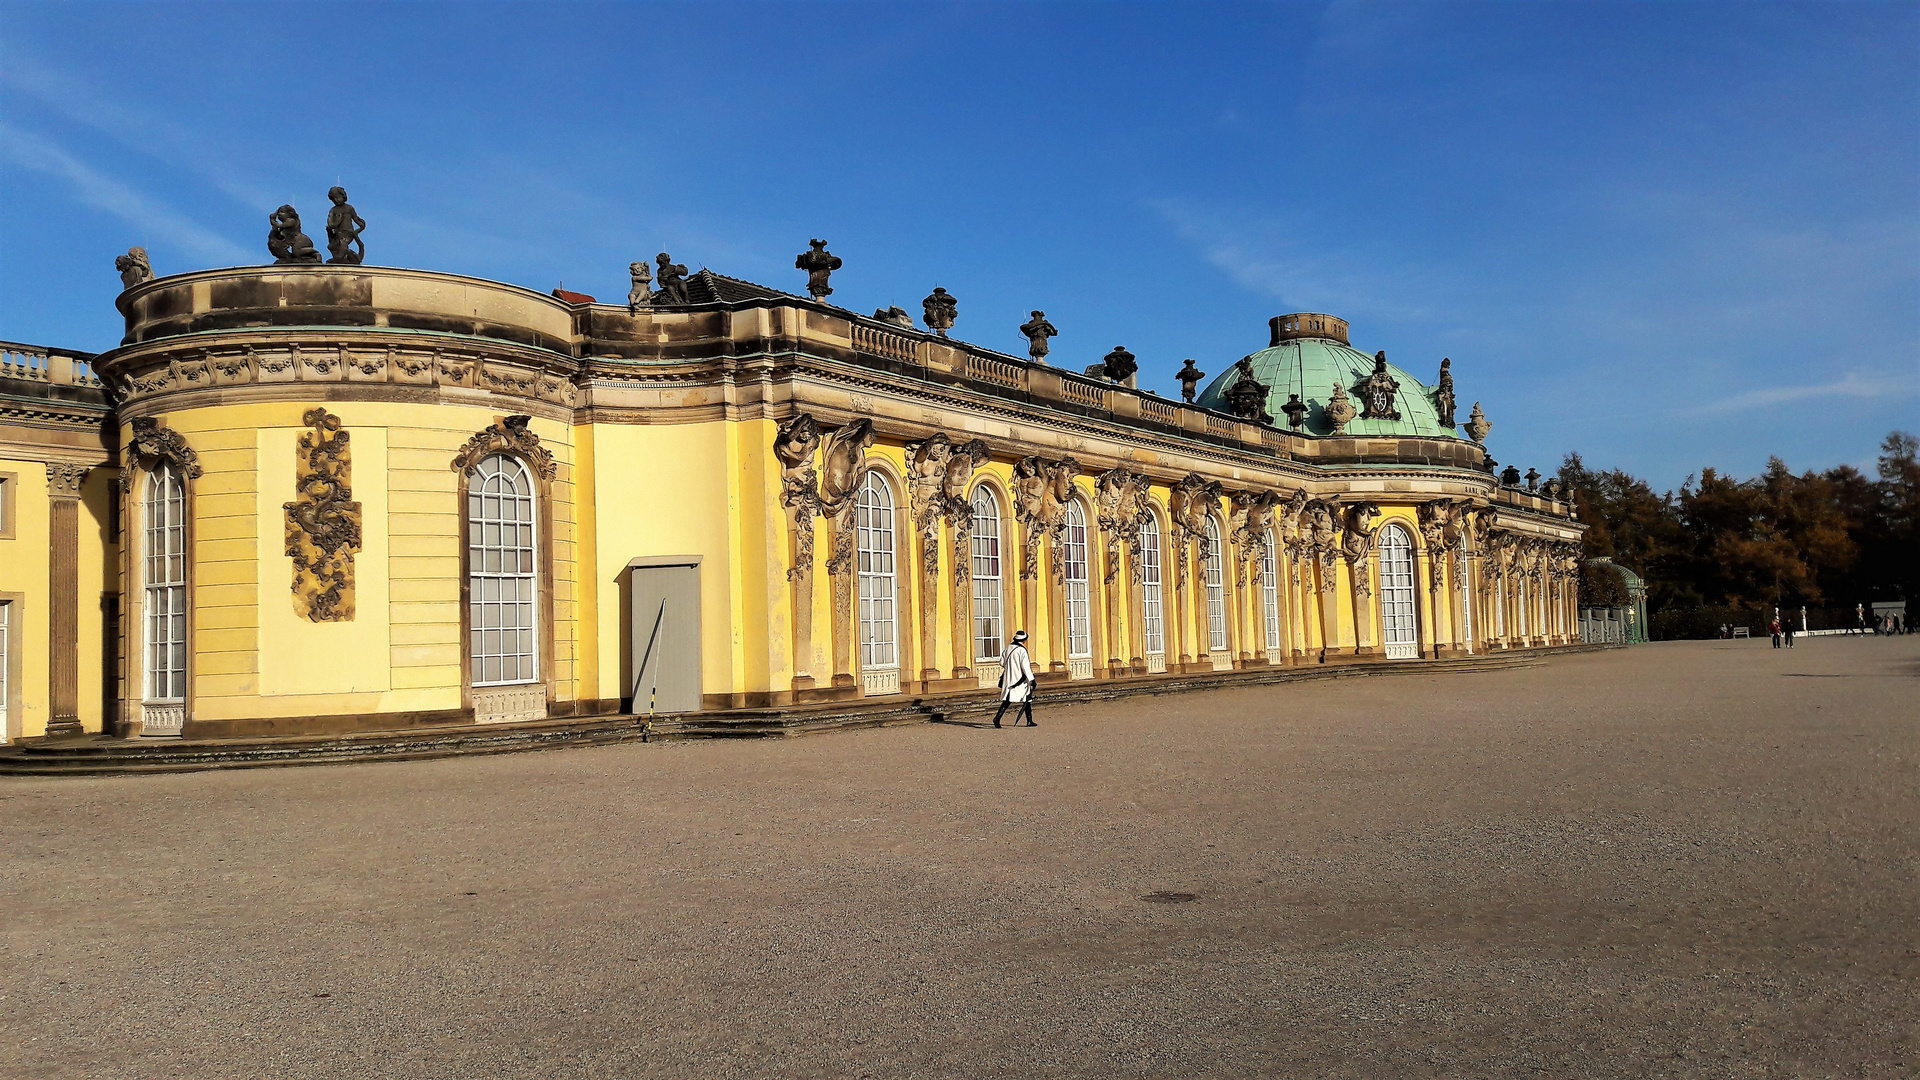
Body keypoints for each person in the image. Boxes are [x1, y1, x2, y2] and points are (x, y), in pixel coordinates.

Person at [991, 629, 1037, 729]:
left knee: (1023, 698)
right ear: (1024, 641)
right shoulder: (1022, 650)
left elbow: (1002, 663)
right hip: (1019, 678)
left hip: (1009, 677)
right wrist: (1032, 679)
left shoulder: (1008, 648)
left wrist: (1011, 667)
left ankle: (1029, 720)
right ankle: (997, 718)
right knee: (1023, 698)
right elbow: (1025, 666)